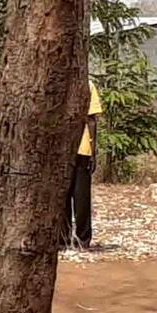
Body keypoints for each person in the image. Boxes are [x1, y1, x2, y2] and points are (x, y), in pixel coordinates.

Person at [58, 81, 103, 249]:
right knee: (76, 196)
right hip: (74, 148)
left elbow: (91, 120)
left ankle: (68, 239)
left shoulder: (87, 85)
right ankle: (79, 239)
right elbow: (91, 120)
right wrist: (93, 150)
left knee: (69, 196)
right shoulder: (87, 84)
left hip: (73, 149)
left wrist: (92, 150)